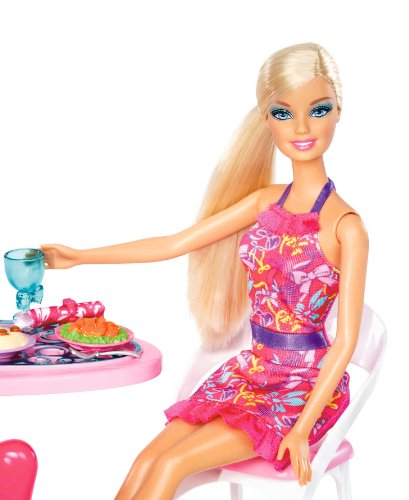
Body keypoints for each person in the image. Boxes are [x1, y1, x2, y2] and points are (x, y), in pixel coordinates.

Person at [41, 42, 368, 499]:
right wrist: (80, 256)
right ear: (266, 119)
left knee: (172, 464)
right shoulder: (264, 202)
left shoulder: (347, 227)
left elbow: (345, 342)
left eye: (318, 110)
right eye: (283, 113)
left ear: (338, 111)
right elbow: (175, 243)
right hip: (251, 374)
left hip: (301, 389)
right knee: (147, 461)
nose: (301, 127)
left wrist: (302, 428)